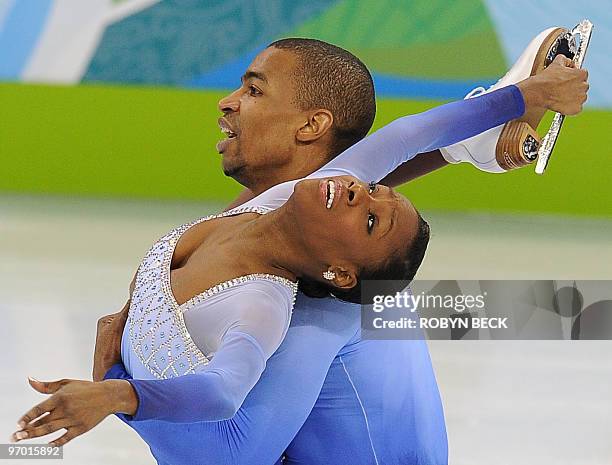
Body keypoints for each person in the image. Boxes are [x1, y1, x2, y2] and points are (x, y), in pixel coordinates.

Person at [12, 32, 588, 465]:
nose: (227, 102)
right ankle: (474, 149)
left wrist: (117, 385)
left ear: (311, 123)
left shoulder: (304, 312)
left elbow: (230, 453)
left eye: (254, 89)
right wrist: (515, 100)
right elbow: (399, 140)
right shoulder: (282, 214)